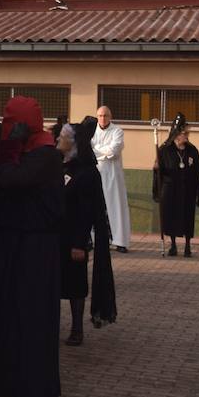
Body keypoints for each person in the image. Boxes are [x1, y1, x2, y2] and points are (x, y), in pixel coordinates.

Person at [0, 95, 64, 397]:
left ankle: (31, 388)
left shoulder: (44, 155)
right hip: (17, 244)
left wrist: (9, 150)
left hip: (35, 249)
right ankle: (8, 381)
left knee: (31, 317)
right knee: (11, 314)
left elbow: (12, 179)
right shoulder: (32, 151)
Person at [56, 119, 116, 347]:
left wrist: (79, 243)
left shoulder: (86, 173)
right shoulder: (59, 166)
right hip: (56, 236)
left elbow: (86, 212)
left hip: (74, 238)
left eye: (62, 138)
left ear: (73, 143)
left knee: (75, 285)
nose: (57, 141)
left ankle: (77, 329)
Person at [154, 114, 199, 258]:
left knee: (187, 216)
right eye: (185, 133)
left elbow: (198, 171)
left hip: (188, 189)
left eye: (188, 133)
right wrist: (157, 168)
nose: (187, 136)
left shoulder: (192, 150)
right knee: (170, 216)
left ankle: (188, 245)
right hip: (170, 189)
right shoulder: (165, 150)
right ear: (177, 134)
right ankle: (173, 245)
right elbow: (160, 172)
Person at [91, 106, 131, 252]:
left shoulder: (117, 131)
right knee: (95, 206)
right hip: (96, 173)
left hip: (113, 175)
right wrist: (103, 151)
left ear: (110, 116)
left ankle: (120, 241)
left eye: (105, 115)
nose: (102, 118)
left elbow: (113, 151)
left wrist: (97, 151)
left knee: (115, 206)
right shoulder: (92, 130)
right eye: (100, 115)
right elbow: (89, 150)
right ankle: (94, 239)